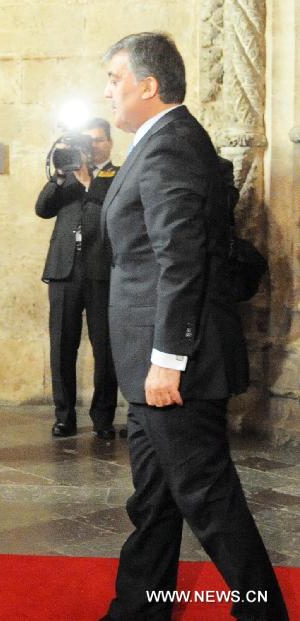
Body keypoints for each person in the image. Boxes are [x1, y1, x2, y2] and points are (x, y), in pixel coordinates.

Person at [98, 32, 287, 621]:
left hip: (175, 363)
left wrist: (167, 359)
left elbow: (180, 257)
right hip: (156, 359)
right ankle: (138, 609)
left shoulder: (171, 145)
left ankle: (264, 614)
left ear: (148, 86)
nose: (107, 91)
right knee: (154, 499)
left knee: (209, 499)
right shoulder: (162, 141)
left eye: (114, 79)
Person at [35, 118, 119, 439]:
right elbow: (42, 209)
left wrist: (88, 183)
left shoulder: (118, 176)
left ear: (109, 142)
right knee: (61, 346)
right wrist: (60, 175)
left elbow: (115, 212)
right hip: (64, 270)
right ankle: (64, 416)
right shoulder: (66, 176)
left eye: (97, 140)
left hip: (102, 271)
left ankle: (103, 418)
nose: (92, 147)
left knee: (105, 348)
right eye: (87, 141)